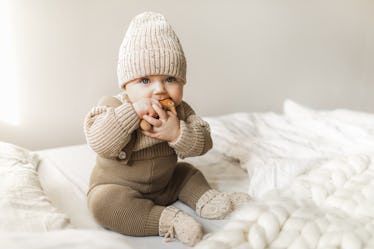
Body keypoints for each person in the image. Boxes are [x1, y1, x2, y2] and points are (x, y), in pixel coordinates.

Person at [84, 11, 250, 246]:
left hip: (166, 183)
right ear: (126, 84)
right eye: (144, 81)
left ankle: (208, 200)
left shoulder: (180, 111)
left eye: (170, 79)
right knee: (102, 205)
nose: (159, 89)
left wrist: (178, 133)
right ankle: (166, 220)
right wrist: (133, 112)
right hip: (118, 187)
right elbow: (99, 141)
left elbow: (204, 142)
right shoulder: (112, 106)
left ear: (182, 82)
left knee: (187, 172)